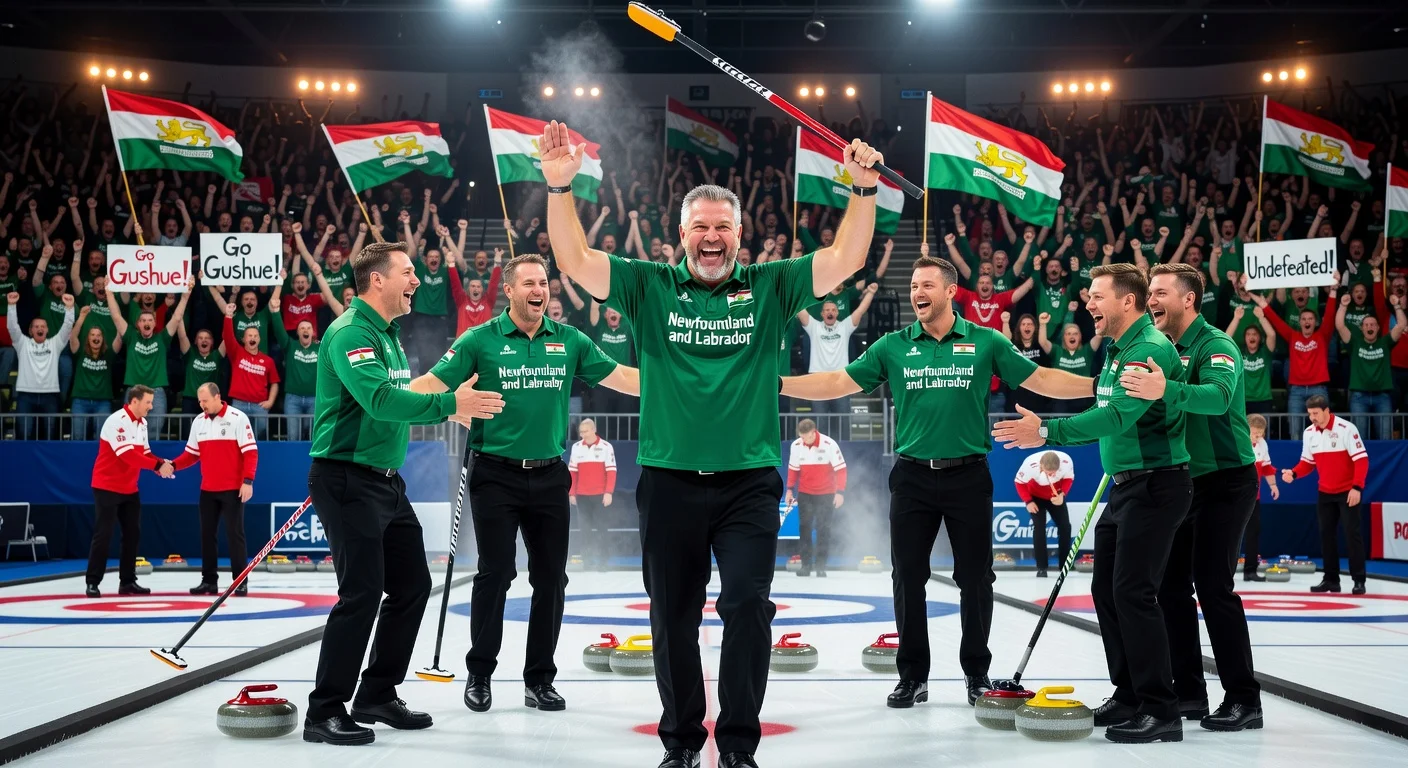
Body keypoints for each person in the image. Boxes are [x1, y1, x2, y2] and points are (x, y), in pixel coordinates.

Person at [543, 118, 884, 768]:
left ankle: (737, 747)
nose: (710, 236)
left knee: (748, 607)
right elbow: (575, 262)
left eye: (721, 227)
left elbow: (846, 260)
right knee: (672, 617)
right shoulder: (649, 285)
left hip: (749, 484)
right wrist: (561, 188)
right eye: (699, 226)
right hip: (668, 482)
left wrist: (862, 192)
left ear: (739, 235)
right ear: (680, 235)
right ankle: (680, 744)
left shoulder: (770, 287)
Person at [783, 254, 1093, 710]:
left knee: (976, 578)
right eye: (912, 287)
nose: (917, 293)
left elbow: (1042, 377)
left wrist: (1097, 385)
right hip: (911, 478)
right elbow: (837, 381)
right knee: (907, 577)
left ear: (951, 292)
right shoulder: (893, 346)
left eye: (926, 285)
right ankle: (913, 677)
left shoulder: (985, 341)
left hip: (968, 476)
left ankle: (976, 674)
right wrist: (780, 385)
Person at [411, 252, 633, 716]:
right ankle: (480, 674)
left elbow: (623, 378)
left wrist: (683, 380)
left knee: (552, 577)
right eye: (529, 283)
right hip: (495, 474)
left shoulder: (569, 339)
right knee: (495, 574)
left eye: (544, 283)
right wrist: (386, 401)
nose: (539, 290)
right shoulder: (479, 340)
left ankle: (539, 680)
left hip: (551, 475)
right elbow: (432, 383)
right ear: (507, 290)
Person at [303, 240, 504, 747]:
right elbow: (379, 400)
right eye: (409, 273)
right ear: (377, 280)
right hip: (347, 478)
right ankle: (324, 711)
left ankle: (375, 694)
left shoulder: (389, 335)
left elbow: (403, 395)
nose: (417, 281)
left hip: (385, 482)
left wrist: (450, 406)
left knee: (412, 585)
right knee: (362, 594)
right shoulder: (351, 332)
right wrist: (447, 403)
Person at [993, 263, 1192, 744]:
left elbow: (1114, 419)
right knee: (1107, 590)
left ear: (1128, 301)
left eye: (1097, 297)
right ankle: (1128, 694)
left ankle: (1162, 709)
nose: (1088, 305)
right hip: (1125, 486)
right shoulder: (1117, 349)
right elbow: (1099, 400)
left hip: (1156, 485)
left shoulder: (1147, 351)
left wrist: (1045, 430)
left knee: (1133, 593)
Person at [1118, 262, 1263, 732]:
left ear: (1188, 299)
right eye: (1149, 292)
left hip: (1225, 481)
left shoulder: (1217, 344)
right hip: (1182, 482)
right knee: (1170, 588)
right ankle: (1190, 694)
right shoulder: (1161, 347)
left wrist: (1167, 388)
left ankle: (1244, 699)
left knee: (1214, 587)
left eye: (1160, 292)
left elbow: (1219, 398)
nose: (1151, 299)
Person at [86, 385, 174, 597]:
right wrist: (156, 466)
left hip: (129, 488)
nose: (151, 407)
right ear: (134, 401)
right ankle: (92, 581)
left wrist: (162, 463)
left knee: (132, 534)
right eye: (148, 402)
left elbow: (145, 453)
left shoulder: (142, 423)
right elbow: (128, 456)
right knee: (103, 535)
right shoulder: (116, 421)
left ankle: (127, 582)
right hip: (107, 486)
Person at [171, 383, 257, 596]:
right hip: (208, 489)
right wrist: (172, 465)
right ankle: (209, 581)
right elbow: (191, 455)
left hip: (232, 489)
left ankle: (240, 581)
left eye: (205, 401)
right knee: (207, 535)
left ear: (217, 397)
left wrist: (248, 481)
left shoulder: (238, 418)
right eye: (200, 401)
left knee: (235, 535)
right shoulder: (198, 421)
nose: (202, 405)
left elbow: (250, 452)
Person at [1281, 395, 1369, 595]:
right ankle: (1331, 580)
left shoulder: (1346, 429)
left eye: (1316, 413)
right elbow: (1307, 463)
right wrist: (1294, 473)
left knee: (1352, 535)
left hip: (1348, 491)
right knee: (1326, 536)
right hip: (1325, 492)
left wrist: (1357, 488)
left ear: (1327, 411)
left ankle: (1359, 580)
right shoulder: (1309, 432)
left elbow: (1361, 460)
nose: (1312, 417)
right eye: (1310, 413)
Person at [108, 276, 195, 441]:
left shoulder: (162, 338)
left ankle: (150, 465)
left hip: (157, 392)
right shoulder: (131, 337)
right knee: (131, 434)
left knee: (153, 435)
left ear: (155, 324)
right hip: (134, 390)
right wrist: (109, 293)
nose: (146, 323)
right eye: (143, 320)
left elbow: (176, 318)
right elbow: (116, 316)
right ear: (138, 324)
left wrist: (185, 296)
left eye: (150, 320)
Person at [797, 284, 877, 439]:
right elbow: (800, 309)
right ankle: (820, 455)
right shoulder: (814, 327)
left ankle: (845, 456)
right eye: (827, 310)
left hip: (840, 382)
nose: (830, 312)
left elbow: (860, 310)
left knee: (843, 423)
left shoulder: (844, 326)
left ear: (837, 313)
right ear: (821, 314)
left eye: (833, 310)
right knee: (820, 425)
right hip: (818, 381)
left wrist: (871, 293)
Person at [1336, 293, 1405, 441]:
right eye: (1366, 325)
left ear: (1378, 328)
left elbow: (1401, 325)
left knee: (1385, 439)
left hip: (1382, 397)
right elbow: (1340, 326)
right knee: (1359, 441)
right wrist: (1343, 306)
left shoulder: (1385, 342)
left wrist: (1397, 306)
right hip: (1359, 397)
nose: (1369, 327)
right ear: (1361, 329)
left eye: (1373, 324)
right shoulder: (1355, 343)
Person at [6, 290, 74, 440]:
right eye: (36, 327)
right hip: (25, 395)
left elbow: (67, 327)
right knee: (24, 435)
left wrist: (70, 309)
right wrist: (11, 306)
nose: (40, 329)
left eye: (43, 326)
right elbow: (12, 327)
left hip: (50, 395)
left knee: (50, 435)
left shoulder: (55, 343)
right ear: (30, 331)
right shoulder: (22, 343)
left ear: (47, 330)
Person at [784, 419, 846, 578]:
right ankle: (806, 565)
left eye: (807, 437)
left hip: (826, 494)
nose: (804, 440)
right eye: (801, 437)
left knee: (823, 528)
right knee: (804, 528)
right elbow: (793, 470)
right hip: (805, 493)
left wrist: (840, 492)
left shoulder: (829, 444)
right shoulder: (796, 446)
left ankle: (821, 566)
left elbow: (841, 470)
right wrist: (789, 490)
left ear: (814, 432)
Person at [222, 302, 280, 440]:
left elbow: (275, 382)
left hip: (259, 406)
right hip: (239, 404)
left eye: (255, 336)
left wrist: (270, 401)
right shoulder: (237, 353)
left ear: (259, 339)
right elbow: (228, 337)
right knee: (237, 439)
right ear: (243, 339)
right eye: (249, 335)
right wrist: (228, 316)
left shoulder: (268, 361)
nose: (252, 338)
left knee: (259, 439)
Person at [1014, 450, 1074, 577]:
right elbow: (1019, 483)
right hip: (1035, 497)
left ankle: (1065, 565)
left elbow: (1069, 478)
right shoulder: (1029, 465)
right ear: (1041, 466)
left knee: (1065, 527)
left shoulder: (1066, 461)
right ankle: (1041, 567)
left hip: (1055, 495)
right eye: (1049, 473)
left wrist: (1062, 494)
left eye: (1055, 472)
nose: (1052, 475)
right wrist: (1028, 501)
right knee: (1039, 528)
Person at [568, 417, 617, 571]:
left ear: (594, 430)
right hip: (582, 496)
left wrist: (608, 492)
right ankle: (587, 562)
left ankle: (603, 562)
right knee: (585, 530)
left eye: (586, 431)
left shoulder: (606, 447)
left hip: (600, 495)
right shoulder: (576, 447)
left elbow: (611, 472)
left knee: (602, 528)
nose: (583, 434)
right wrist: (571, 493)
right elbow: (572, 473)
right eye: (581, 432)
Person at [1246, 413, 1278, 582]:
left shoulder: (1262, 445)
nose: (1257, 436)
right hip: (1236, 497)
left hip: (1254, 497)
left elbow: (1266, 468)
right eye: (1254, 432)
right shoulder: (1238, 442)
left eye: (1260, 433)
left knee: (1253, 532)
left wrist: (1273, 486)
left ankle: (1250, 570)